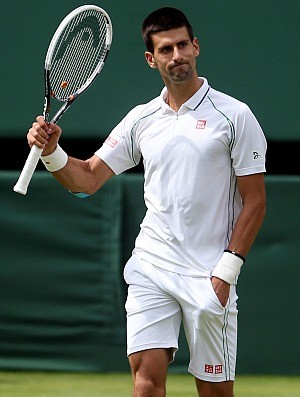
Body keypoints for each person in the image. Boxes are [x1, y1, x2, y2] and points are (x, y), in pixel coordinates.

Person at [27, 7, 267, 397]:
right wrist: (52, 152)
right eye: (166, 49)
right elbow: (87, 178)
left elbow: (255, 201)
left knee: (215, 393)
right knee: (146, 387)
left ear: (196, 47)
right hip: (151, 266)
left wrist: (226, 272)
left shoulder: (235, 115)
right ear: (151, 59)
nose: (178, 56)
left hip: (209, 274)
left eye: (183, 45)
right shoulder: (141, 119)